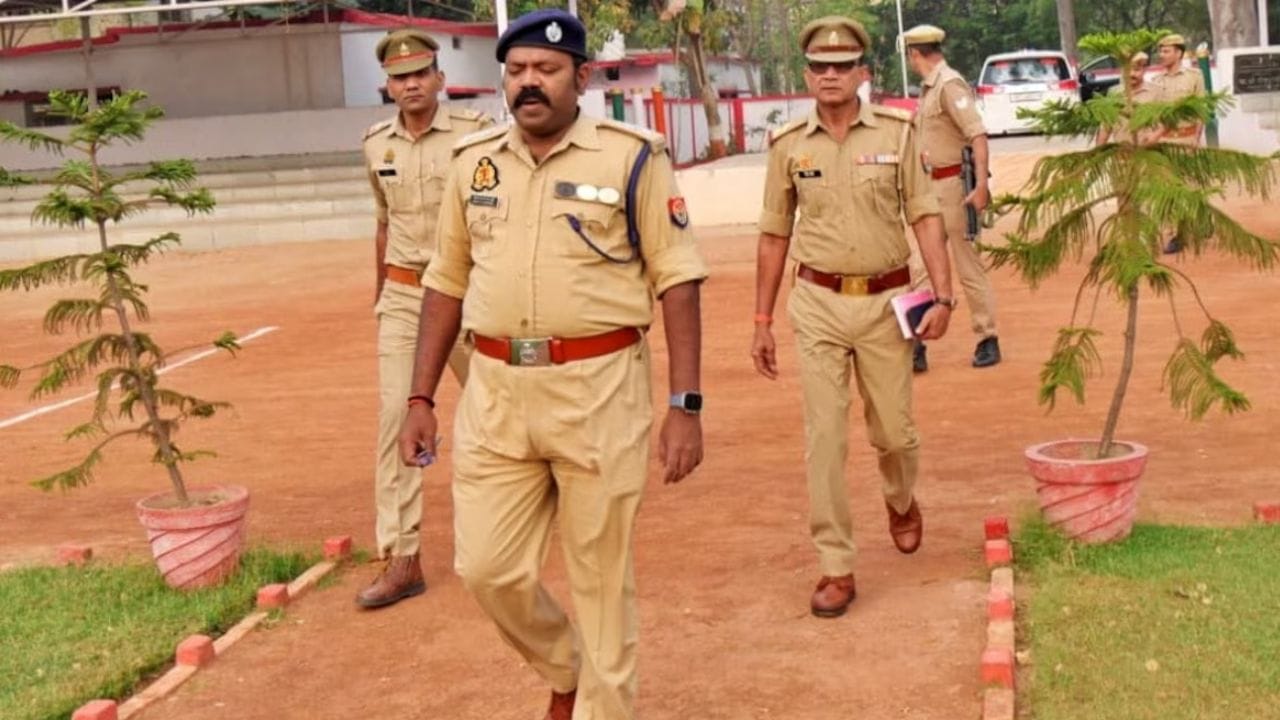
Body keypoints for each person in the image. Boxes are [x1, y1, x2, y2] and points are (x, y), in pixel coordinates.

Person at [397, 9, 708, 719]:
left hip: (599, 389)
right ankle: (567, 666)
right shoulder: (473, 163)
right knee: (486, 568)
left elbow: (678, 278)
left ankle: (603, 707)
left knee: (600, 578)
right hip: (496, 392)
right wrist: (420, 398)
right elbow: (445, 281)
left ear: (582, 77)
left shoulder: (632, 157)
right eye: (516, 71)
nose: (528, 83)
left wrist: (685, 405)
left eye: (546, 69)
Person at [750, 16, 955, 619]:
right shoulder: (788, 145)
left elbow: (925, 214)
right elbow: (773, 235)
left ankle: (901, 498)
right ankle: (836, 564)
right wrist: (761, 320)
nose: (830, 75)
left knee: (894, 433)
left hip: (886, 304)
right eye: (819, 66)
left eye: (842, 66)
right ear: (807, 75)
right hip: (817, 303)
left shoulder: (897, 132)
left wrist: (944, 296)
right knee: (825, 438)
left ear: (863, 73)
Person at [356, 28, 492, 609]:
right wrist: (381, 294)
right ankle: (402, 554)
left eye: (420, 74)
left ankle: (526, 510)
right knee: (397, 418)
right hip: (407, 295)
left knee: (498, 406)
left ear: (440, 78)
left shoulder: (475, 135)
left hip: (469, 293)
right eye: (400, 78)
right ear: (388, 87)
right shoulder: (375, 146)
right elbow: (383, 224)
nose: (411, 85)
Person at [900, 24, 999, 372]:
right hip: (930, 189)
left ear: (914, 53)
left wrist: (981, 186)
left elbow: (978, 135)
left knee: (968, 266)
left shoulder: (948, 84)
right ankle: (918, 342)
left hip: (956, 187)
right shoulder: (930, 88)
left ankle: (987, 337)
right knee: (919, 267)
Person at [1149, 33, 1206, 254]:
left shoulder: (1194, 77)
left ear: (1179, 53)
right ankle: (1176, 234)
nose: (1162, 55)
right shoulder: (1157, 81)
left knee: (1190, 188)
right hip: (1164, 141)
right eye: (1160, 51)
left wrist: (1196, 139)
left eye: (1166, 51)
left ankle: (1200, 221)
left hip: (1187, 139)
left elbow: (1200, 110)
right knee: (1168, 190)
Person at [1096, 52, 1155, 146]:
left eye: (1136, 70)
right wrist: (1098, 150)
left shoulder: (1155, 92)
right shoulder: (1114, 92)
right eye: (1128, 69)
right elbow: (1106, 125)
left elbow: (1165, 124)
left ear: (1144, 70)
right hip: (1121, 151)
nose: (1131, 74)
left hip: (1147, 151)